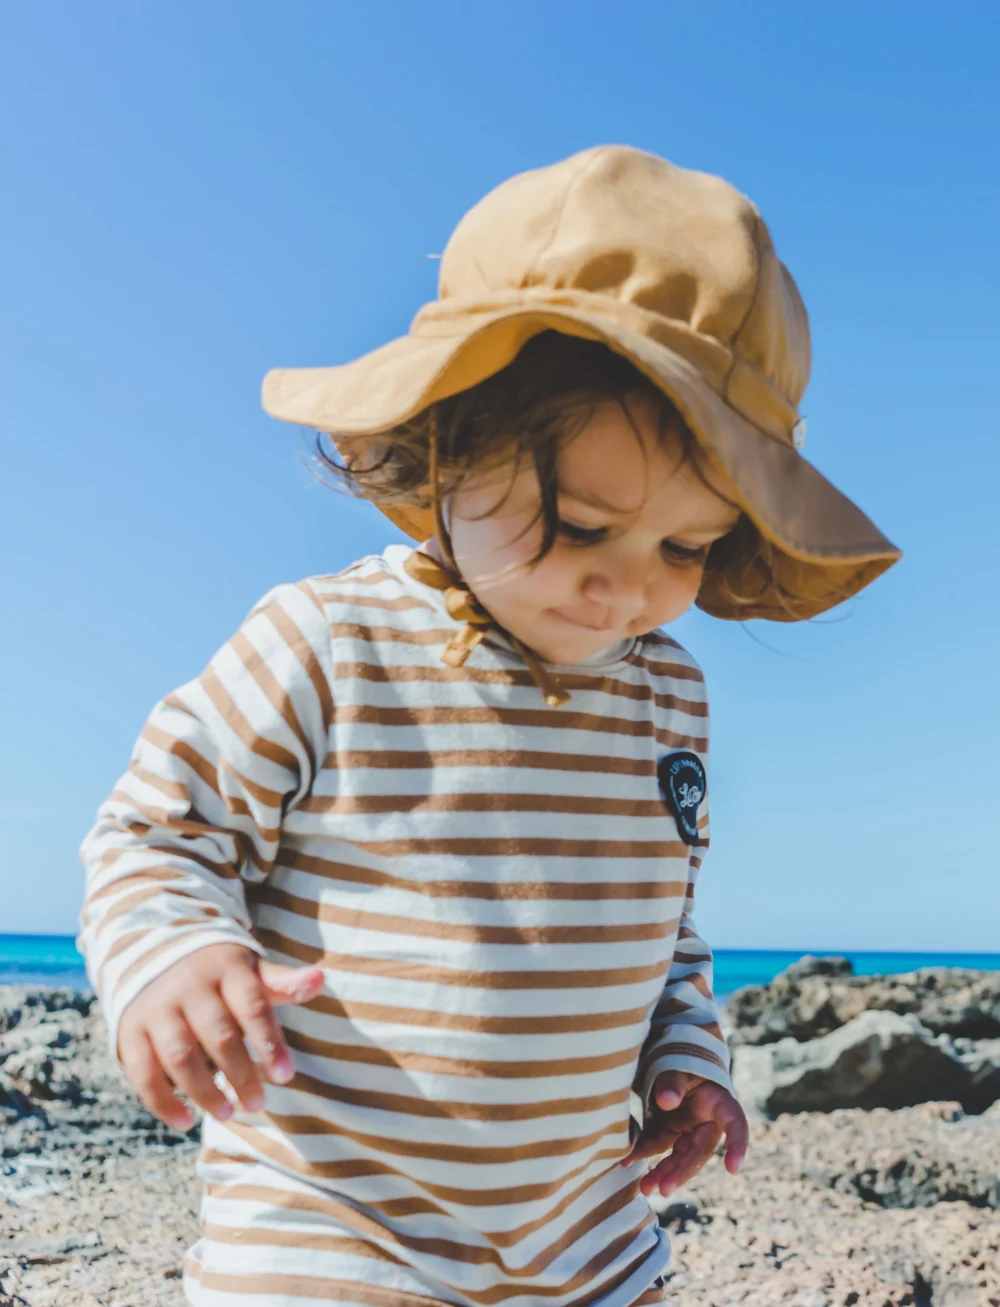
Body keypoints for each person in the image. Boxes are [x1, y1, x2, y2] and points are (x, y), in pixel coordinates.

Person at [78, 145, 900, 1307]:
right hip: (333, 1232)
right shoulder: (326, 640)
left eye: (682, 547)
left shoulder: (668, 694)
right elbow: (154, 836)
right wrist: (176, 957)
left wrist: (685, 1057)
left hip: (586, 1244)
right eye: (579, 522)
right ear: (448, 444)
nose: (624, 586)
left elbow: (658, 926)